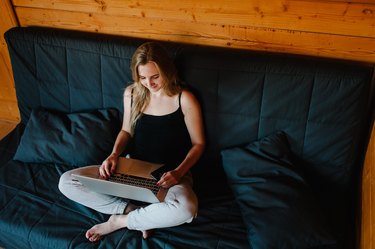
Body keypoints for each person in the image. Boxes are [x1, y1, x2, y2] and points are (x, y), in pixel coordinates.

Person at [58, 42, 205, 242]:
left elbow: (199, 144)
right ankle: (132, 211)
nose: (149, 84)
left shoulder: (184, 98)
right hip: (132, 169)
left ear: (167, 70)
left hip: (171, 176)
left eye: (155, 76)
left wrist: (178, 173)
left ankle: (121, 221)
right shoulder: (133, 93)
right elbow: (126, 131)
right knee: (67, 182)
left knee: (187, 209)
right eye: (142, 77)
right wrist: (114, 155)